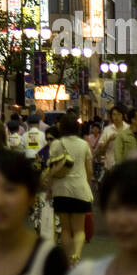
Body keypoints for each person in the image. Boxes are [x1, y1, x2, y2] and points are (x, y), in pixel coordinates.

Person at [44, 112, 93, 266]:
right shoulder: (84, 144)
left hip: (61, 190)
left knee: (65, 229)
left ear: (62, 127)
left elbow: (51, 170)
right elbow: (89, 170)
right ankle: (76, 257)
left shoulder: (56, 144)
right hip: (80, 189)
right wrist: (88, 183)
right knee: (79, 229)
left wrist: (49, 190)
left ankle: (68, 259)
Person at [96, 105, 125, 173]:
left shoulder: (128, 129)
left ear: (122, 115)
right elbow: (101, 151)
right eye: (114, 114)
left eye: (119, 114)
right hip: (109, 168)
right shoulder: (107, 130)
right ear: (111, 116)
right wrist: (109, 140)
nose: (116, 117)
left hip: (125, 169)